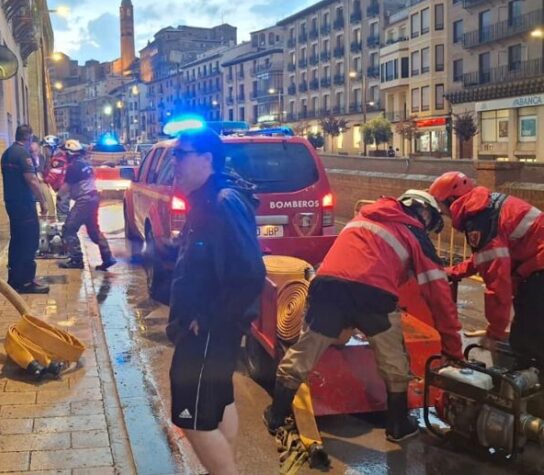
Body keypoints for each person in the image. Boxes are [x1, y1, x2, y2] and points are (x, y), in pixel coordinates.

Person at [265, 189, 462, 443]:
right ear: (423, 211)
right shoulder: (413, 231)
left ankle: (276, 416)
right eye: (430, 222)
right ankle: (398, 424)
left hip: (327, 289)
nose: (426, 229)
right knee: (394, 362)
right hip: (375, 297)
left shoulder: (363, 217)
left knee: (304, 353)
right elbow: (438, 292)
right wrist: (452, 348)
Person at [166, 126, 266, 475]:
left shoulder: (221, 202)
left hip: (208, 329)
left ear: (207, 159)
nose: (174, 162)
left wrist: (207, 318)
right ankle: (225, 467)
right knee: (218, 400)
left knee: (190, 415)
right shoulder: (210, 199)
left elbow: (251, 272)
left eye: (181, 154)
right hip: (212, 328)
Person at [430, 171, 544, 365]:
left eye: (441, 208)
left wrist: (495, 332)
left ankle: (531, 389)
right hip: (536, 267)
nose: (444, 215)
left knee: (528, 342)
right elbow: (484, 258)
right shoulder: (485, 208)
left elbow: (497, 283)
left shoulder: (481, 221)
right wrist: (453, 271)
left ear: (451, 201)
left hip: (538, 272)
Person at [1, 124, 50, 294]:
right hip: (24, 204)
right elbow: (32, 180)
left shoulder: (7, 153)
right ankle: (27, 281)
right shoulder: (23, 154)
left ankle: (14, 279)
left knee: (17, 240)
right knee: (29, 240)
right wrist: (43, 201)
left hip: (12, 203)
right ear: (28, 138)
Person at [57, 140, 116, 271]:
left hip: (84, 201)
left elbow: (66, 186)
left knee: (69, 229)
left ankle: (76, 259)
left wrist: (58, 195)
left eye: (65, 153)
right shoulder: (85, 163)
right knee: (94, 231)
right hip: (93, 198)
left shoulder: (73, 166)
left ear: (70, 153)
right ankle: (108, 257)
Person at [44, 139, 71, 220]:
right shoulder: (64, 159)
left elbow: (53, 175)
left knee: (62, 209)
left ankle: (64, 227)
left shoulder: (58, 160)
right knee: (63, 207)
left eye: (46, 148)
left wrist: (44, 180)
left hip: (62, 187)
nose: (45, 150)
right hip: (65, 186)